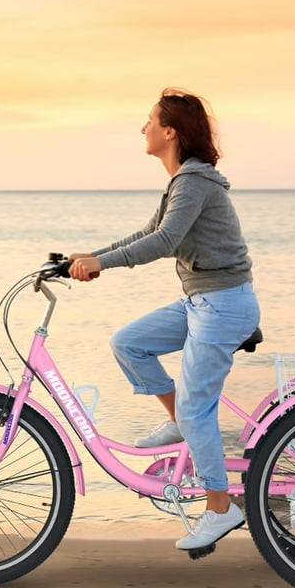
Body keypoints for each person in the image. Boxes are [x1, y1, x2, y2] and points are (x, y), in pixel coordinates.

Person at [68, 87, 260, 551]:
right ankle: (182, 422)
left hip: (222, 305)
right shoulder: (183, 181)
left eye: (150, 121)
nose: (143, 128)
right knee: (129, 343)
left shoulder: (194, 182)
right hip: (201, 302)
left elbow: (166, 241)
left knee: (200, 410)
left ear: (169, 131)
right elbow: (149, 231)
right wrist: (92, 256)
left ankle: (220, 508)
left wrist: (103, 265)